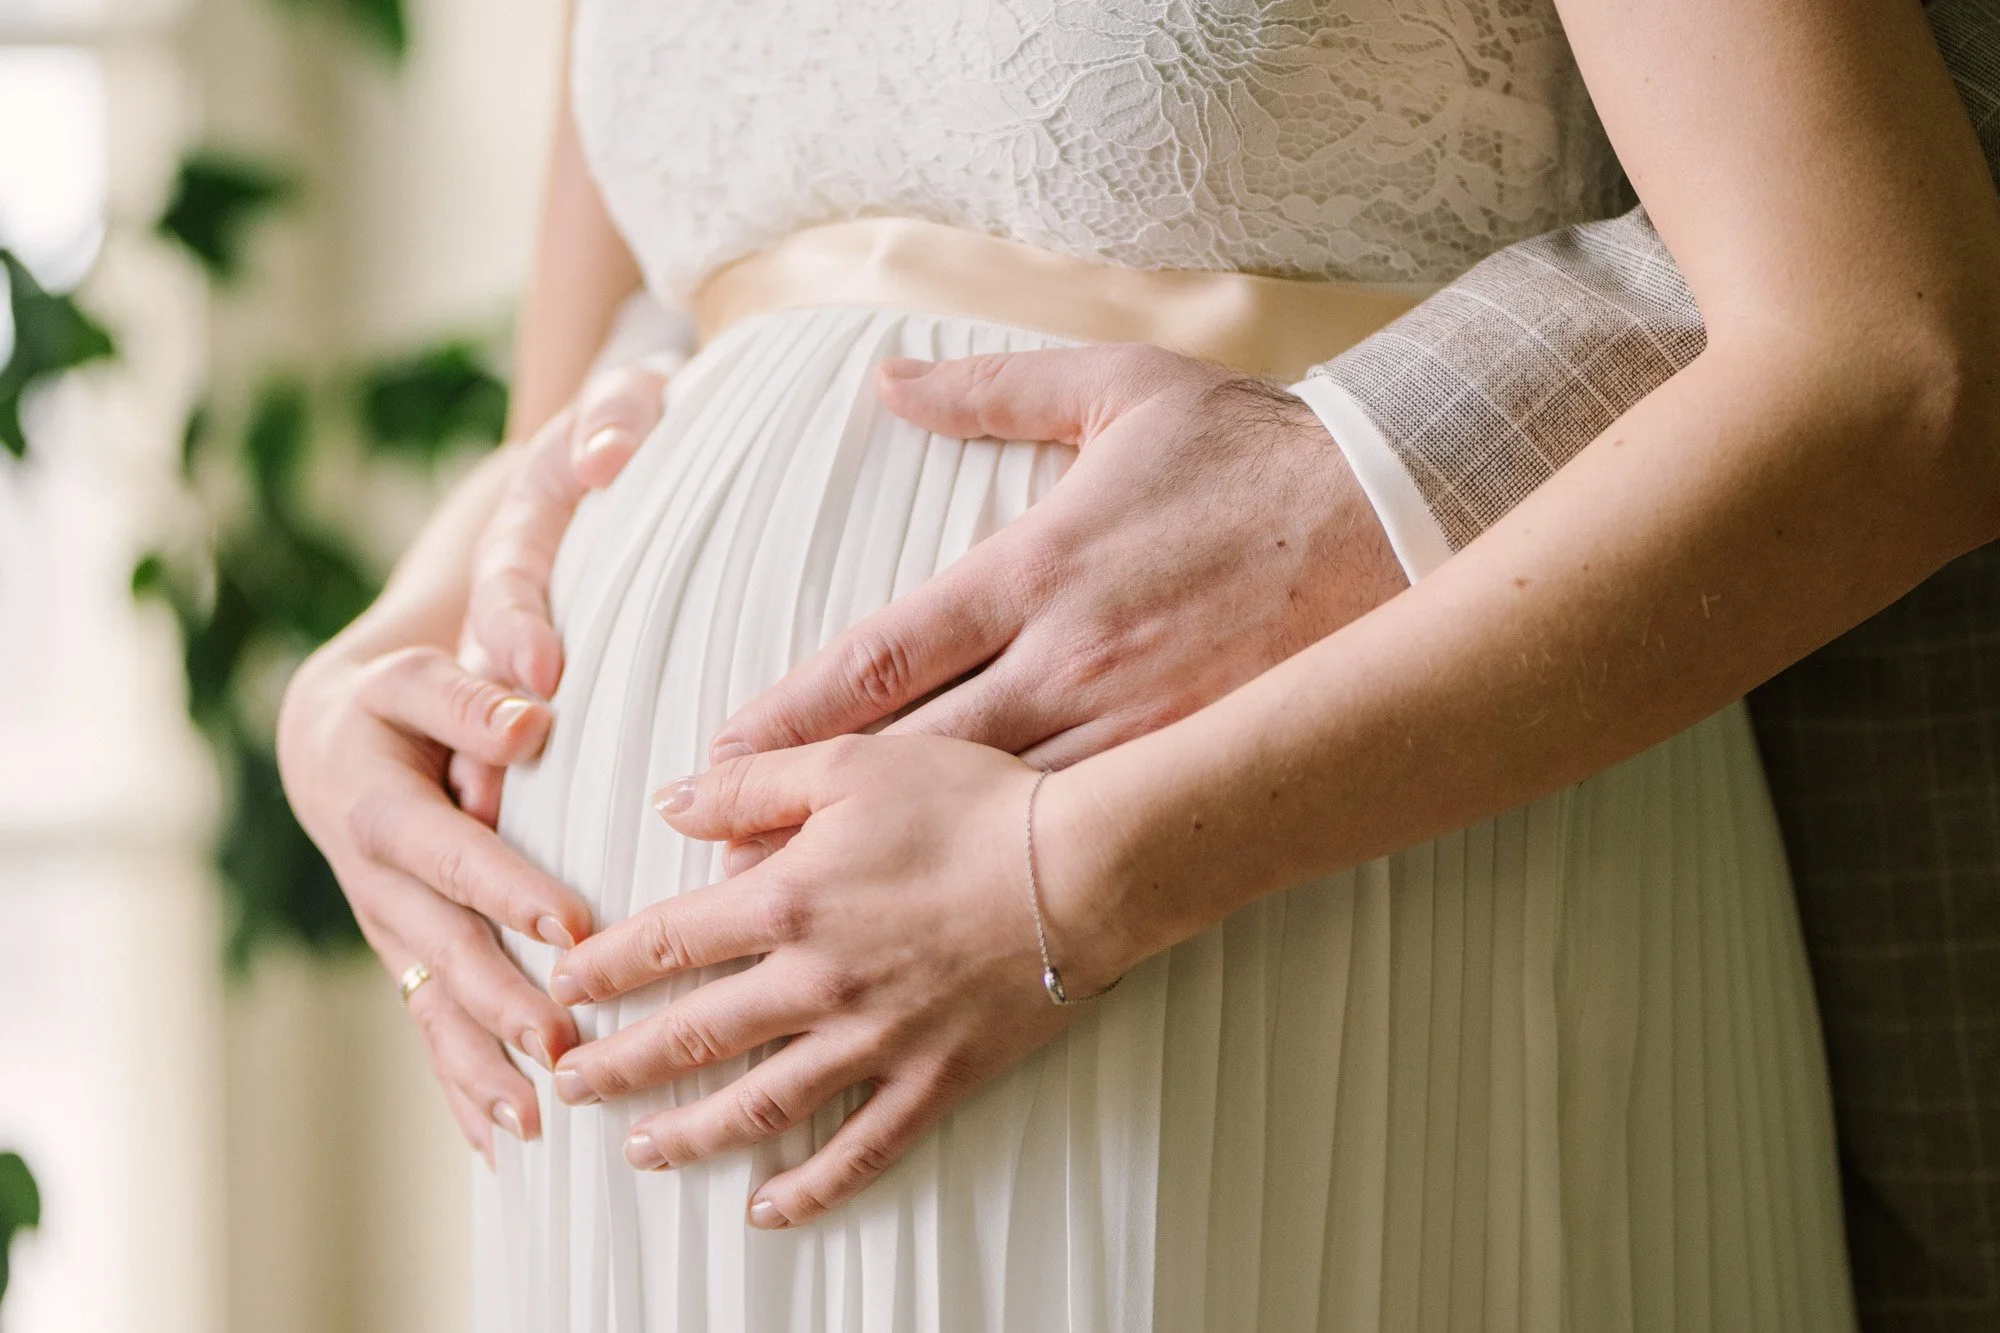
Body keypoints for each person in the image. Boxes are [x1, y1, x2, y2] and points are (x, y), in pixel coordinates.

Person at [276, 1, 2000, 1328]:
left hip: (1318, 910)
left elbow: (1898, 370)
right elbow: (628, 358)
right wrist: (365, 669)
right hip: (662, 1089)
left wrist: (1077, 876)